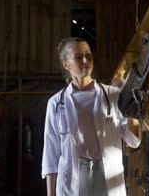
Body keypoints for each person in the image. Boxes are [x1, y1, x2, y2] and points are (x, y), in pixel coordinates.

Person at [42, 37, 141, 196]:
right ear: (66, 64)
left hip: (107, 175)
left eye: (88, 55)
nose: (85, 60)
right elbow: (50, 155)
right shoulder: (56, 103)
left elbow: (134, 140)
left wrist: (128, 100)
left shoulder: (113, 95)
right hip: (72, 179)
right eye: (78, 57)